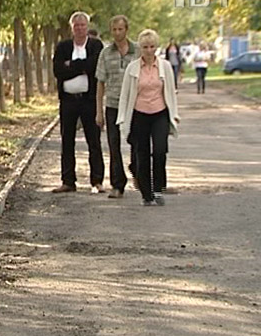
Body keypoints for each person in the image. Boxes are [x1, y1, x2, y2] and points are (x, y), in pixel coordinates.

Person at [117, 29, 179, 206]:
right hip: (139, 114)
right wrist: (122, 117)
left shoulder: (165, 67)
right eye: (145, 47)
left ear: (156, 47)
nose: (149, 51)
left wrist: (173, 114)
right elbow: (126, 95)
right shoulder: (133, 68)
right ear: (140, 48)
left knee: (160, 150)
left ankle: (159, 188)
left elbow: (170, 92)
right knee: (141, 153)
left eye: (152, 46)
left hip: (159, 113)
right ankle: (146, 193)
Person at [52, 11, 105, 194]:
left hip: (89, 100)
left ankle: (97, 181)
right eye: (76, 25)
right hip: (68, 101)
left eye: (83, 25)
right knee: (67, 140)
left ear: (87, 27)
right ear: (72, 28)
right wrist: (81, 67)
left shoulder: (96, 45)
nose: (80, 28)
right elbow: (58, 70)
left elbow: (94, 66)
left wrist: (72, 65)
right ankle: (68, 181)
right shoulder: (64, 46)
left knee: (94, 141)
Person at [95, 15, 140, 199]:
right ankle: (117, 184)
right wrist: (99, 111)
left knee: (136, 142)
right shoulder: (106, 53)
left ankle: (136, 170)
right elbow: (100, 83)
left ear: (126, 29)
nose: (117, 33)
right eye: (114, 30)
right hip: (113, 104)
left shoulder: (138, 51)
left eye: (120, 29)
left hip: (135, 104)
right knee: (113, 145)